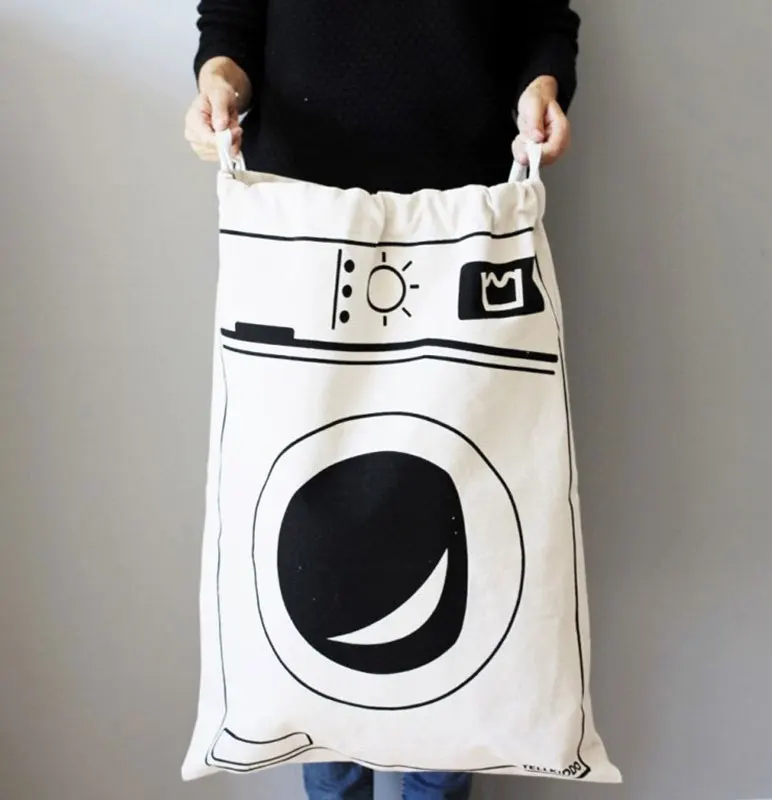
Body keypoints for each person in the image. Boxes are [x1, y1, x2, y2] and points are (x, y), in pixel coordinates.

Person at [184, 2, 579, 798]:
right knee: (312, 550)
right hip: (302, 224)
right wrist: (217, 86)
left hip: (466, 222)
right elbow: (231, 23)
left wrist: (542, 89)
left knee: (459, 522)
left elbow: (542, 20)